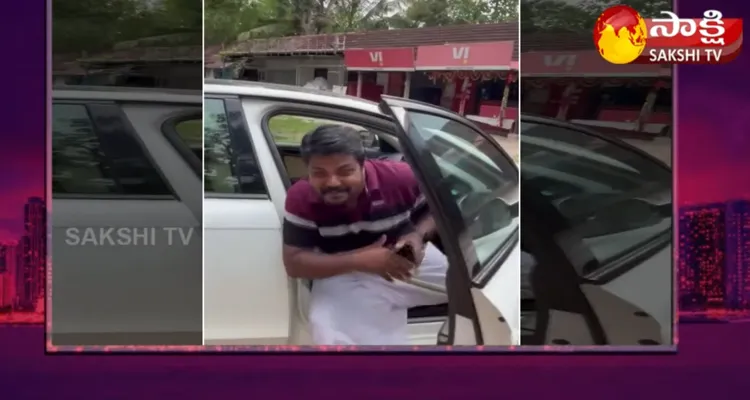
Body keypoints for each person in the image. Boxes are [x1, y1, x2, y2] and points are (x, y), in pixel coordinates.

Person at [282, 124, 448, 345]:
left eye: (345, 171)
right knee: (329, 331)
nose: (333, 182)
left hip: (403, 259)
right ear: (307, 171)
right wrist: (360, 260)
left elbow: (435, 211)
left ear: (363, 166)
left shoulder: (400, 178)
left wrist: (417, 237)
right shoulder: (301, 198)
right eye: (319, 173)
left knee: (480, 290)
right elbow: (294, 264)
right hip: (341, 272)